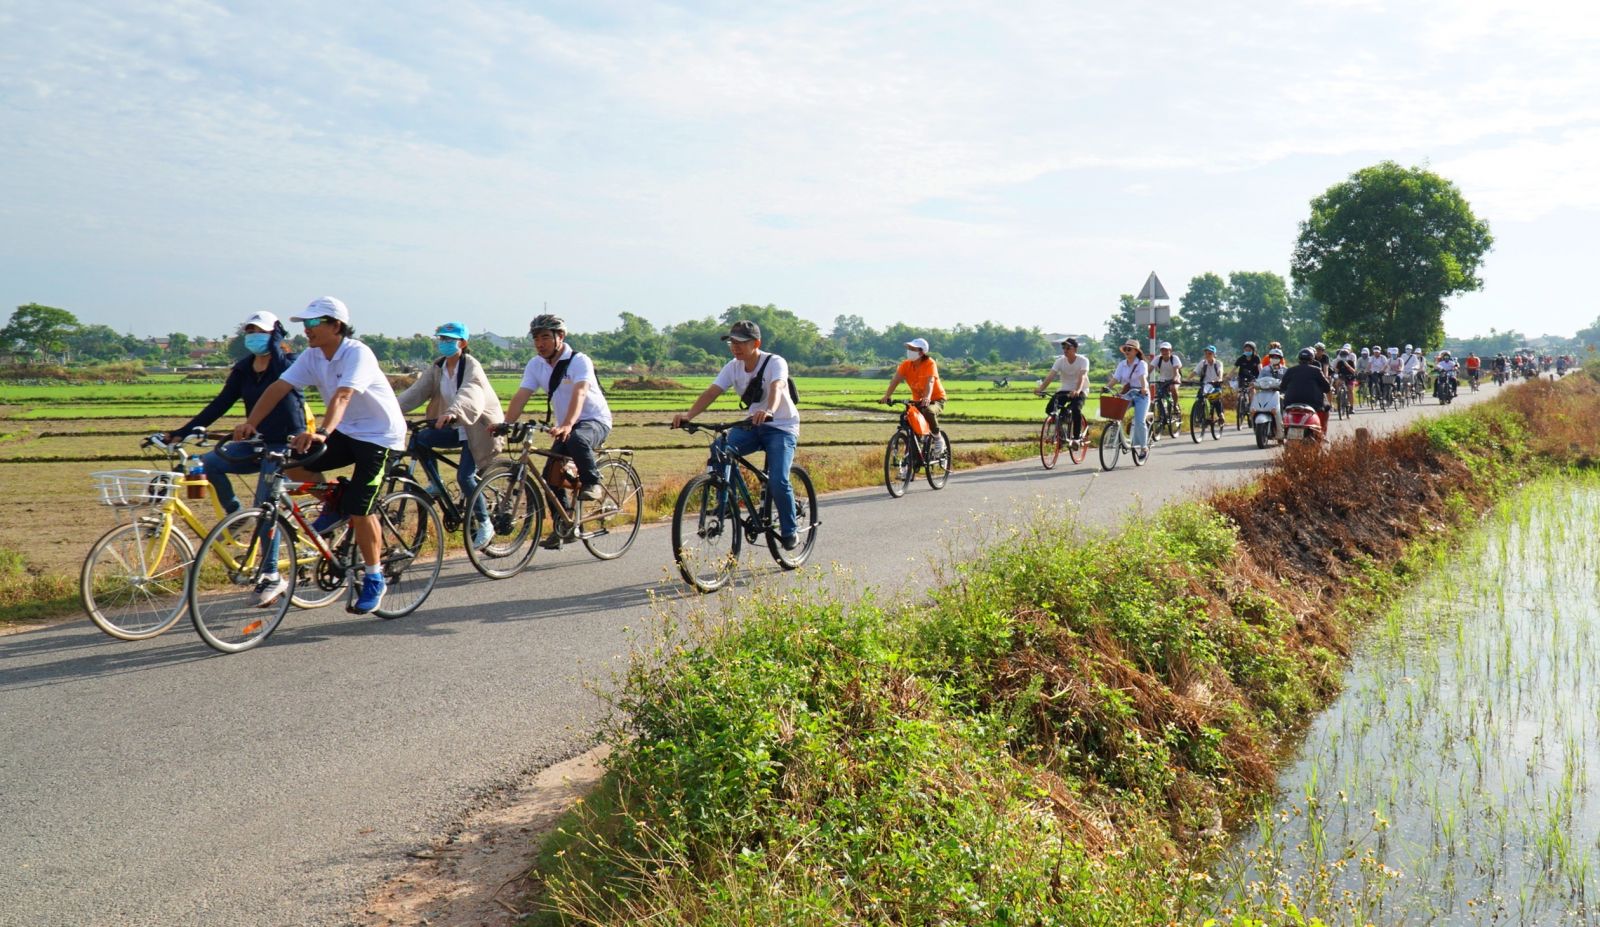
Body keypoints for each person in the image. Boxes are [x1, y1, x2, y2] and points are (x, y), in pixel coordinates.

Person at [233, 297, 409, 616]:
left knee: (360, 506)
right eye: (305, 324)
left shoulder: (357, 353)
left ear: (336, 326)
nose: (307, 330)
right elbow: (278, 388)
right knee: (293, 463)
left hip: (380, 435)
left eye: (314, 324)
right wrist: (250, 423)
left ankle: (374, 578)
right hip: (348, 430)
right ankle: (333, 499)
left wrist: (324, 432)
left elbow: (343, 395)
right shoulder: (313, 355)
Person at [168, 311, 304, 607]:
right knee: (205, 464)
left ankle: (270, 575)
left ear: (275, 334)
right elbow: (220, 404)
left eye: (261, 331)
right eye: (250, 330)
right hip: (254, 442)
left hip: (285, 443)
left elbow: (284, 381)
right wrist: (180, 432)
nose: (254, 335)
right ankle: (235, 513)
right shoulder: (244, 369)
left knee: (265, 507)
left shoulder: (290, 363)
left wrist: (279, 346)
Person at [672, 320, 801, 549]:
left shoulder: (775, 362)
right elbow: (712, 391)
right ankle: (726, 500)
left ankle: (790, 530)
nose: (735, 346)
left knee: (778, 480)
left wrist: (769, 410)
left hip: (781, 426)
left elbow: (777, 387)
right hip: (753, 424)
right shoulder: (732, 366)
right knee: (719, 448)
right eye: (732, 342)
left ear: (756, 343)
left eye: (741, 342)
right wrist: (689, 415)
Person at [504, 314, 614, 548]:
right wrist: (506, 423)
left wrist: (567, 424)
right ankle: (565, 526)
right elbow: (522, 394)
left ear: (560, 337)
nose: (540, 343)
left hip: (594, 420)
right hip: (566, 425)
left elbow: (580, 393)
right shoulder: (535, 365)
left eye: (545, 337)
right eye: (536, 339)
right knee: (550, 478)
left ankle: (592, 482)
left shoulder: (579, 360)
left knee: (577, 439)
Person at [395, 321, 504, 549]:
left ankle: (485, 523)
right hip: (456, 428)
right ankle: (437, 483)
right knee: (420, 438)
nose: (443, 343)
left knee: (465, 476)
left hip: (479, 428)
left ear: (462, 343)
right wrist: (388, 409)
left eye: (449, 340)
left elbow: (470, 392)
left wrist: (453, 412)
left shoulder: (471, 366)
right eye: (441, 339)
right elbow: (416, 392)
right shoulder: (438, 367)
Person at [880, 337, 946, 454]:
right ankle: (911, 453)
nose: (909, 350)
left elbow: (930, 381)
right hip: (918, 401)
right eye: (909, 348)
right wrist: (887, 396)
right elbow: (895, 381)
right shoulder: (906, 364)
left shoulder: (929, 363)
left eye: (913, 349)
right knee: (907, 417)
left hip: (936, 399)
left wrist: (927, 397)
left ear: (921, 352)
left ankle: (938, 438)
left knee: (929, 412)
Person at [1035, 336, 1090, 441]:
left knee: (1076, 409)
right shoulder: (1060, 361)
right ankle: (1061, 433)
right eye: (1064, 348)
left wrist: (1077, 390)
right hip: (1064, 390)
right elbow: (1051, 376)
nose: (1065, 350)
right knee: (1050, 409)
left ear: (1075, 349)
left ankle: (1076, 438)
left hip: (1081, 390)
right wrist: (1040, 388)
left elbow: (1082, 376)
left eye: (1068, 348)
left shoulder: (1083, 360)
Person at [1108, 339, 1151, 449]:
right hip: (1128, 393)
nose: (1127, 351)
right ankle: (1117, 438)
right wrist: (1107, 387)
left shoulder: (1141, 364)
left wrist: (1144, 388)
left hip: (1141, 394)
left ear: (1136, 351)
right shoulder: (1122, 364)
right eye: (1125, 349)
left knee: (1139, 421)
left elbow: (1143, 378)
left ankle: (1143, 447)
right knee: (1115, 414)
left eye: (1129, 349)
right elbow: (1116, 378)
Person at [1279, 348, 1333, 434]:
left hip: (1290, 403)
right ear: (1312, 359)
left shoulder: (1290, 370)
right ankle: (1322, 433)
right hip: (1313, 403)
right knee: (1326, 409)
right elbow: (1327, 388)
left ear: (1299, 359)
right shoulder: (1316, 370)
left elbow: (1282, 387)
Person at [1191, 345, 1226, 422]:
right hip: (1205, 385)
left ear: (1214, 354)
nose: (1207, 355)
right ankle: (1199, 417)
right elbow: (1195, 371)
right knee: (1199, 398)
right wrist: (1188, 379)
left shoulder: (1218, 363)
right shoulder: (1202, 363)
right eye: (1206, 353)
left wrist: (1219, 379)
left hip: (1215, 384)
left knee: (1215, 399)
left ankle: (1220, 414)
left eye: (1210, 353)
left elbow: (1220, 371)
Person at [1150, 341, 1184, 407]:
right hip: (1162, 380)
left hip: (1174, 379)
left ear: (1170, 350)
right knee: (1157, 395)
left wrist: (1174, 379)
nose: (1164, 352)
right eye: (1162, 350)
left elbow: (1176, 371)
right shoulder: (1158, 358)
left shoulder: (1174, 358)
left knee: (1173, 388)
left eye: (1166, 350)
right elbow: (1150, 369)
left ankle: (1175, 405)